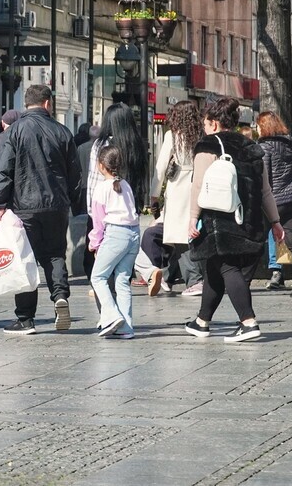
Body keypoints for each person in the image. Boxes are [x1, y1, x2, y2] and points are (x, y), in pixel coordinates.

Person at [184, 97, 284, 343]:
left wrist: (193, 218)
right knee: (214, 267)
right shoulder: (251, 147)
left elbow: (198, 186)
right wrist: (275, 221)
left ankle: (248, 322)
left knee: (227, 267)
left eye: (205, 123)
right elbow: (265, 190)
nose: (204, 128)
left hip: (219, 219)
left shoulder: (208, 146)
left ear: (214, 123)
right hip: (249, 217)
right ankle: (202, 321)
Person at [0, 84, 81, 335]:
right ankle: (60, 297)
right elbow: (75, 173)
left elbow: (3, 170)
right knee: (55, 254)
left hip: (24, 207)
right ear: (48, 103)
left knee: (23, 259)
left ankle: (26, 318)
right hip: (56, 205)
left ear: (26, 104)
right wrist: (75, 202)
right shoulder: (63, 132)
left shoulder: (14, 131)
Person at [87, 103, 147, 286]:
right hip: (130, 208)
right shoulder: (137, 144)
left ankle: (105, 290)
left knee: (103, 262)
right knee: (123, 271)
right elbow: (142, 177)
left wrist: (91, 210)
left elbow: (94, 179)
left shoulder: (102, 145)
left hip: (106, 208)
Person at [257, 111, 292, 295]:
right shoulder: (291, 146)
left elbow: (264, 177)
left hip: (272, 201)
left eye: (258, 125)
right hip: (291, 200)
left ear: (264, 126)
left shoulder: (265, 148)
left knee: (255, 239)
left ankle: (241, 279)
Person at [151, 100, 204, 296]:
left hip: (178, 188)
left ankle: (195, 280)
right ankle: (167, 277)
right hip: (197, 184)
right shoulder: (201, 135)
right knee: (183, 235)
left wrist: (154, 194)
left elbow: (161, 166)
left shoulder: (172, 136)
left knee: (181, 236)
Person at [88, 145, 141, 339]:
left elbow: (98, 221)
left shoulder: (102, 188)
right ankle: (126, 327)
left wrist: (94, 244)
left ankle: (112, 316)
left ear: (101, 166)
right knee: (122, 280)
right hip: (134, 233)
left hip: (116, 234)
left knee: (98, 277)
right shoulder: (125, 185)